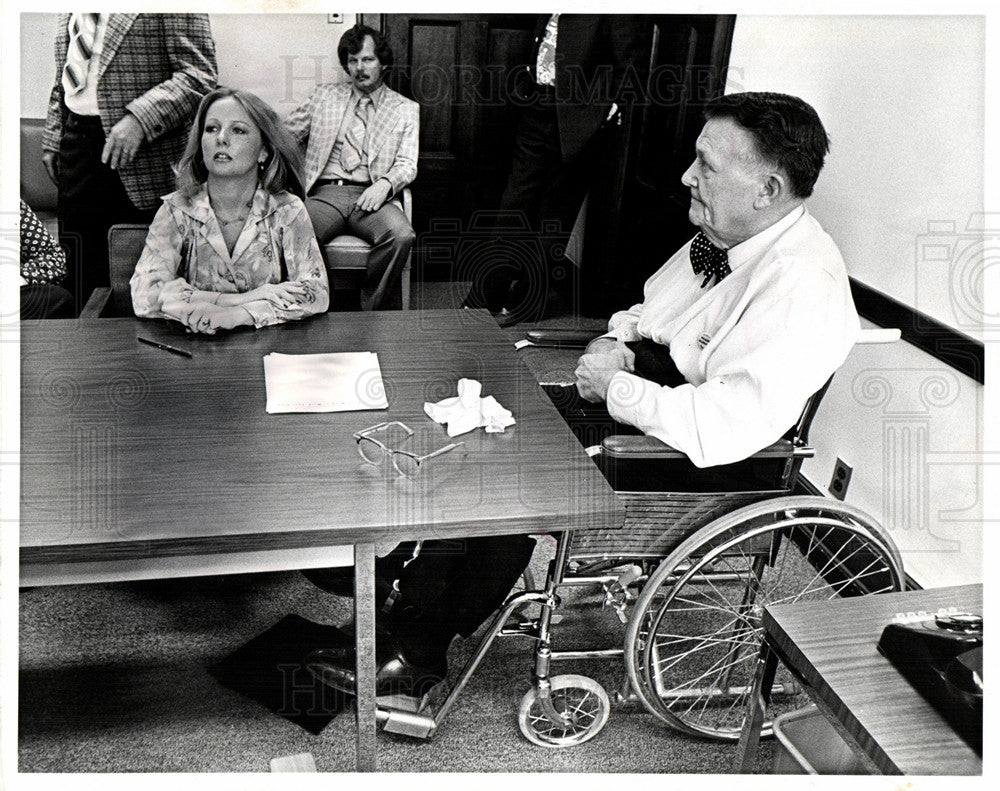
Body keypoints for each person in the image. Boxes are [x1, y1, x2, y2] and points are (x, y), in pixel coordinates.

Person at [305, 91, 859, 699]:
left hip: (692, 453)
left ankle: (418, 646)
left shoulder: (802, 284)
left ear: (768, 189)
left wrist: (617, 387)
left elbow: (722, 425)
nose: (686, 177)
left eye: (706, 165)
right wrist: (614, 343)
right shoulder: (730, 236)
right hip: (650, 394)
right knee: (491, 428)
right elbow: (650, 311)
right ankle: (406, 589)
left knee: (511, 475)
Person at [464, 14, 649, 326]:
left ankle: (527, 302)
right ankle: (486, 296)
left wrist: (606, 111)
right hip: (538, 105)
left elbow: (630, 62)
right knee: (515, 201)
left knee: (556, 216)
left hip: (581, 119)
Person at [42, 13, 217, 315]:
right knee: (82, 275)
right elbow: (66, 73)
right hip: (76, 144)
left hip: (146, 154)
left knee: (145, 289)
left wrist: (140, 119)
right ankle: (88, 358)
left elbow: (199, 75)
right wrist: (55, 135)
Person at [130, 88, 329, 333]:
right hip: (193, 352)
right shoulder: (176, 209)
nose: (221, 138)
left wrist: (239, 315)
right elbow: (144, 294)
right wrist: (241, 299)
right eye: (211, 128)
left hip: (270, 353)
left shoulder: (286, 209)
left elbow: (316, 292)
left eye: (238, 130)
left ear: (263, 150)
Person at [284, 24, 418, 310]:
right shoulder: (324, 97)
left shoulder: (406, 109)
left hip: (372, 195)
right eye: (353, 60)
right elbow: (284, 135)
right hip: (325, 194)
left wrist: (384, 185)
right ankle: (323, 304)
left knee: (401, 235)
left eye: (367, 59)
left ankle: (369, 308)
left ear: (383, 62)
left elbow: (407, 163)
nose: (359, 67)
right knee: (295, 228)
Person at [20, 200, 74, 320]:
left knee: (59, 299)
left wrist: (22, 277)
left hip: (10, 295)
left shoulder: (10, 202)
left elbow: (55, 257)